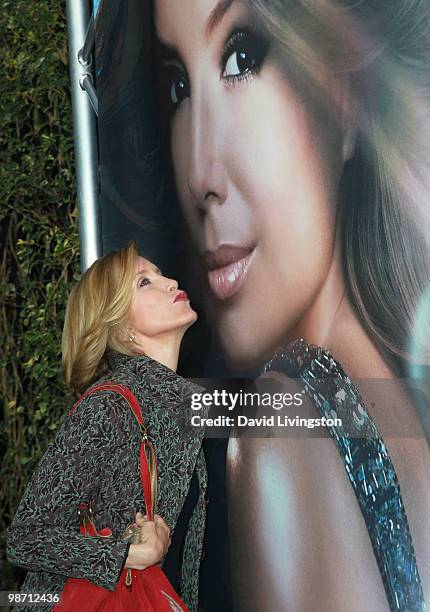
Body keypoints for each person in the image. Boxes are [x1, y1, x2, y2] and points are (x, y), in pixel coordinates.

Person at [151, 0, 430, 609]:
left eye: (241, 56)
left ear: (348, 90)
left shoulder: (283, 434)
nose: (200, 174)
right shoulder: (401, 407)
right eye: (177, 86)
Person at [7, 241, 208, 611]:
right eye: (144, 282)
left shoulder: (177, 407)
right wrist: (124, 554)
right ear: (120, 324)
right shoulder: (109, 406)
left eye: (160, 274)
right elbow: (25, 537)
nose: (169, 282)